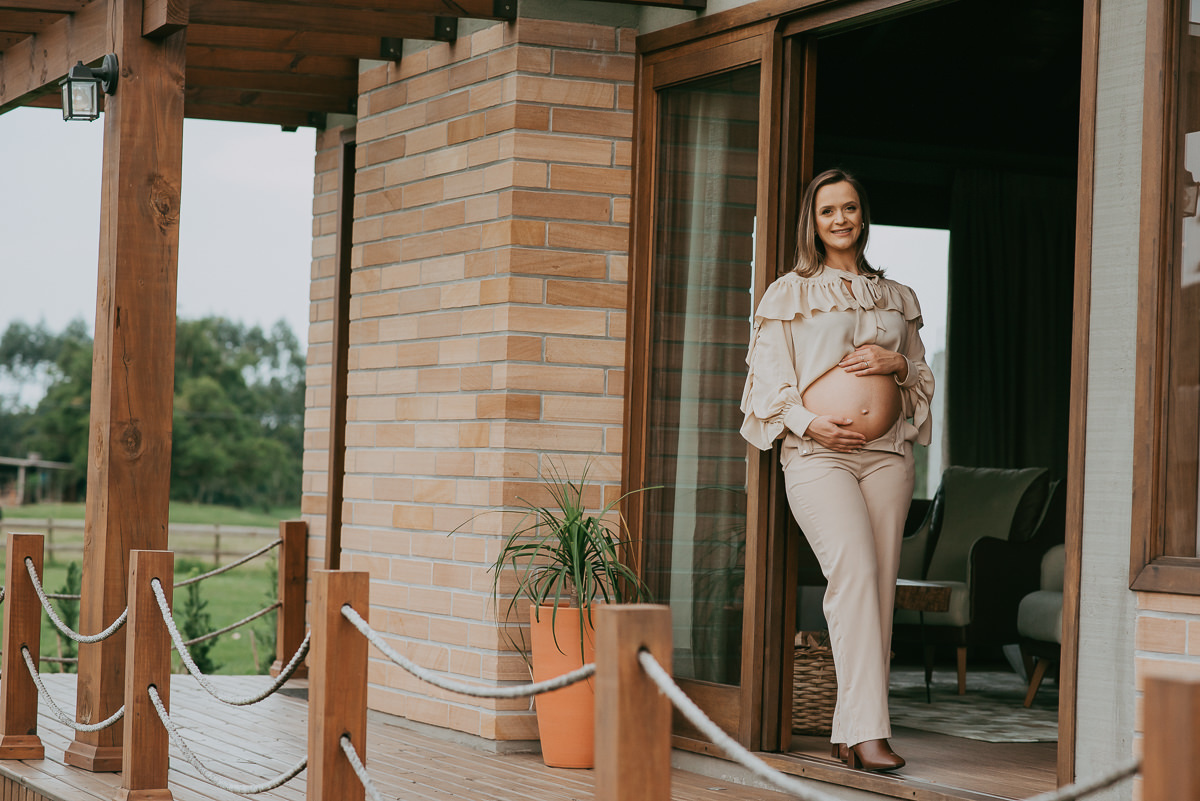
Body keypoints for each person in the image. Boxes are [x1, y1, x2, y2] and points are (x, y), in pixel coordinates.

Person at [739, 168, 934, 772]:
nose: (840, 219)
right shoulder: (788, 293)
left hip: (887, 457)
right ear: (813, 221)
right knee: (852, 575)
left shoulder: (898, 296)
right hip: (820, 455)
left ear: (862, 215)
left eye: (849, 208)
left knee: (879, 588)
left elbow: (923, 378)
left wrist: (895, 362)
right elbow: (765, 384)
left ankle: (853, 731)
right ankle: (870, 734)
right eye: (828, 211)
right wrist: (807, 422)